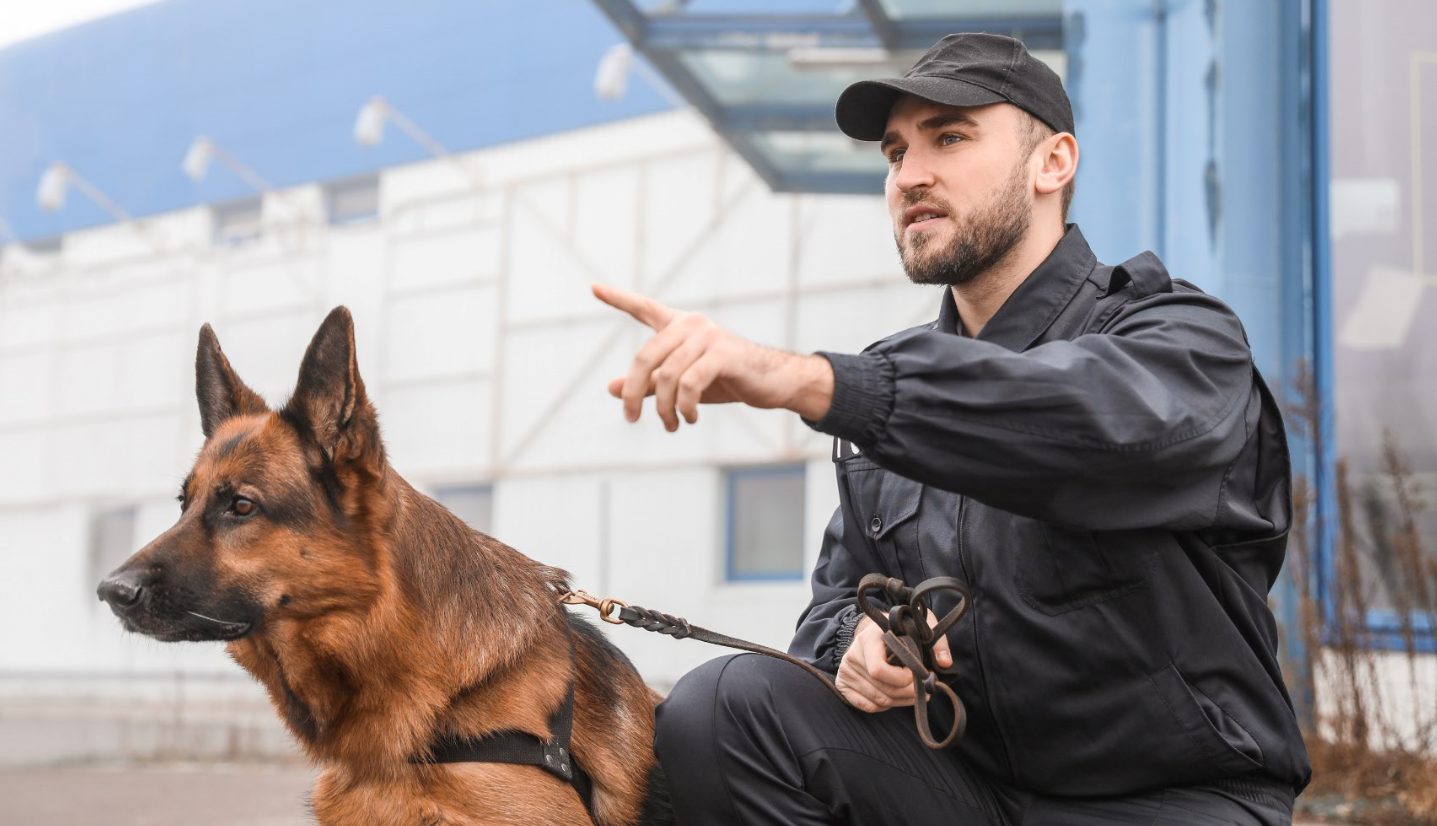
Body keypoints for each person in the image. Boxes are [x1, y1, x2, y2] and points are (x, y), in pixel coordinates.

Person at [593, 32, 1310, 826]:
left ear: (1053, 163)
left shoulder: (1180, 337)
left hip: (1173, 801)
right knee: (724, 708)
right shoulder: (889, 396)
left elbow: (1076, 416)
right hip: (964, 792)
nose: (910, 175)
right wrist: (860, 648)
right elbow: (834, 604)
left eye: (950, 136)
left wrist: (809, 381)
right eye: (895, 152)